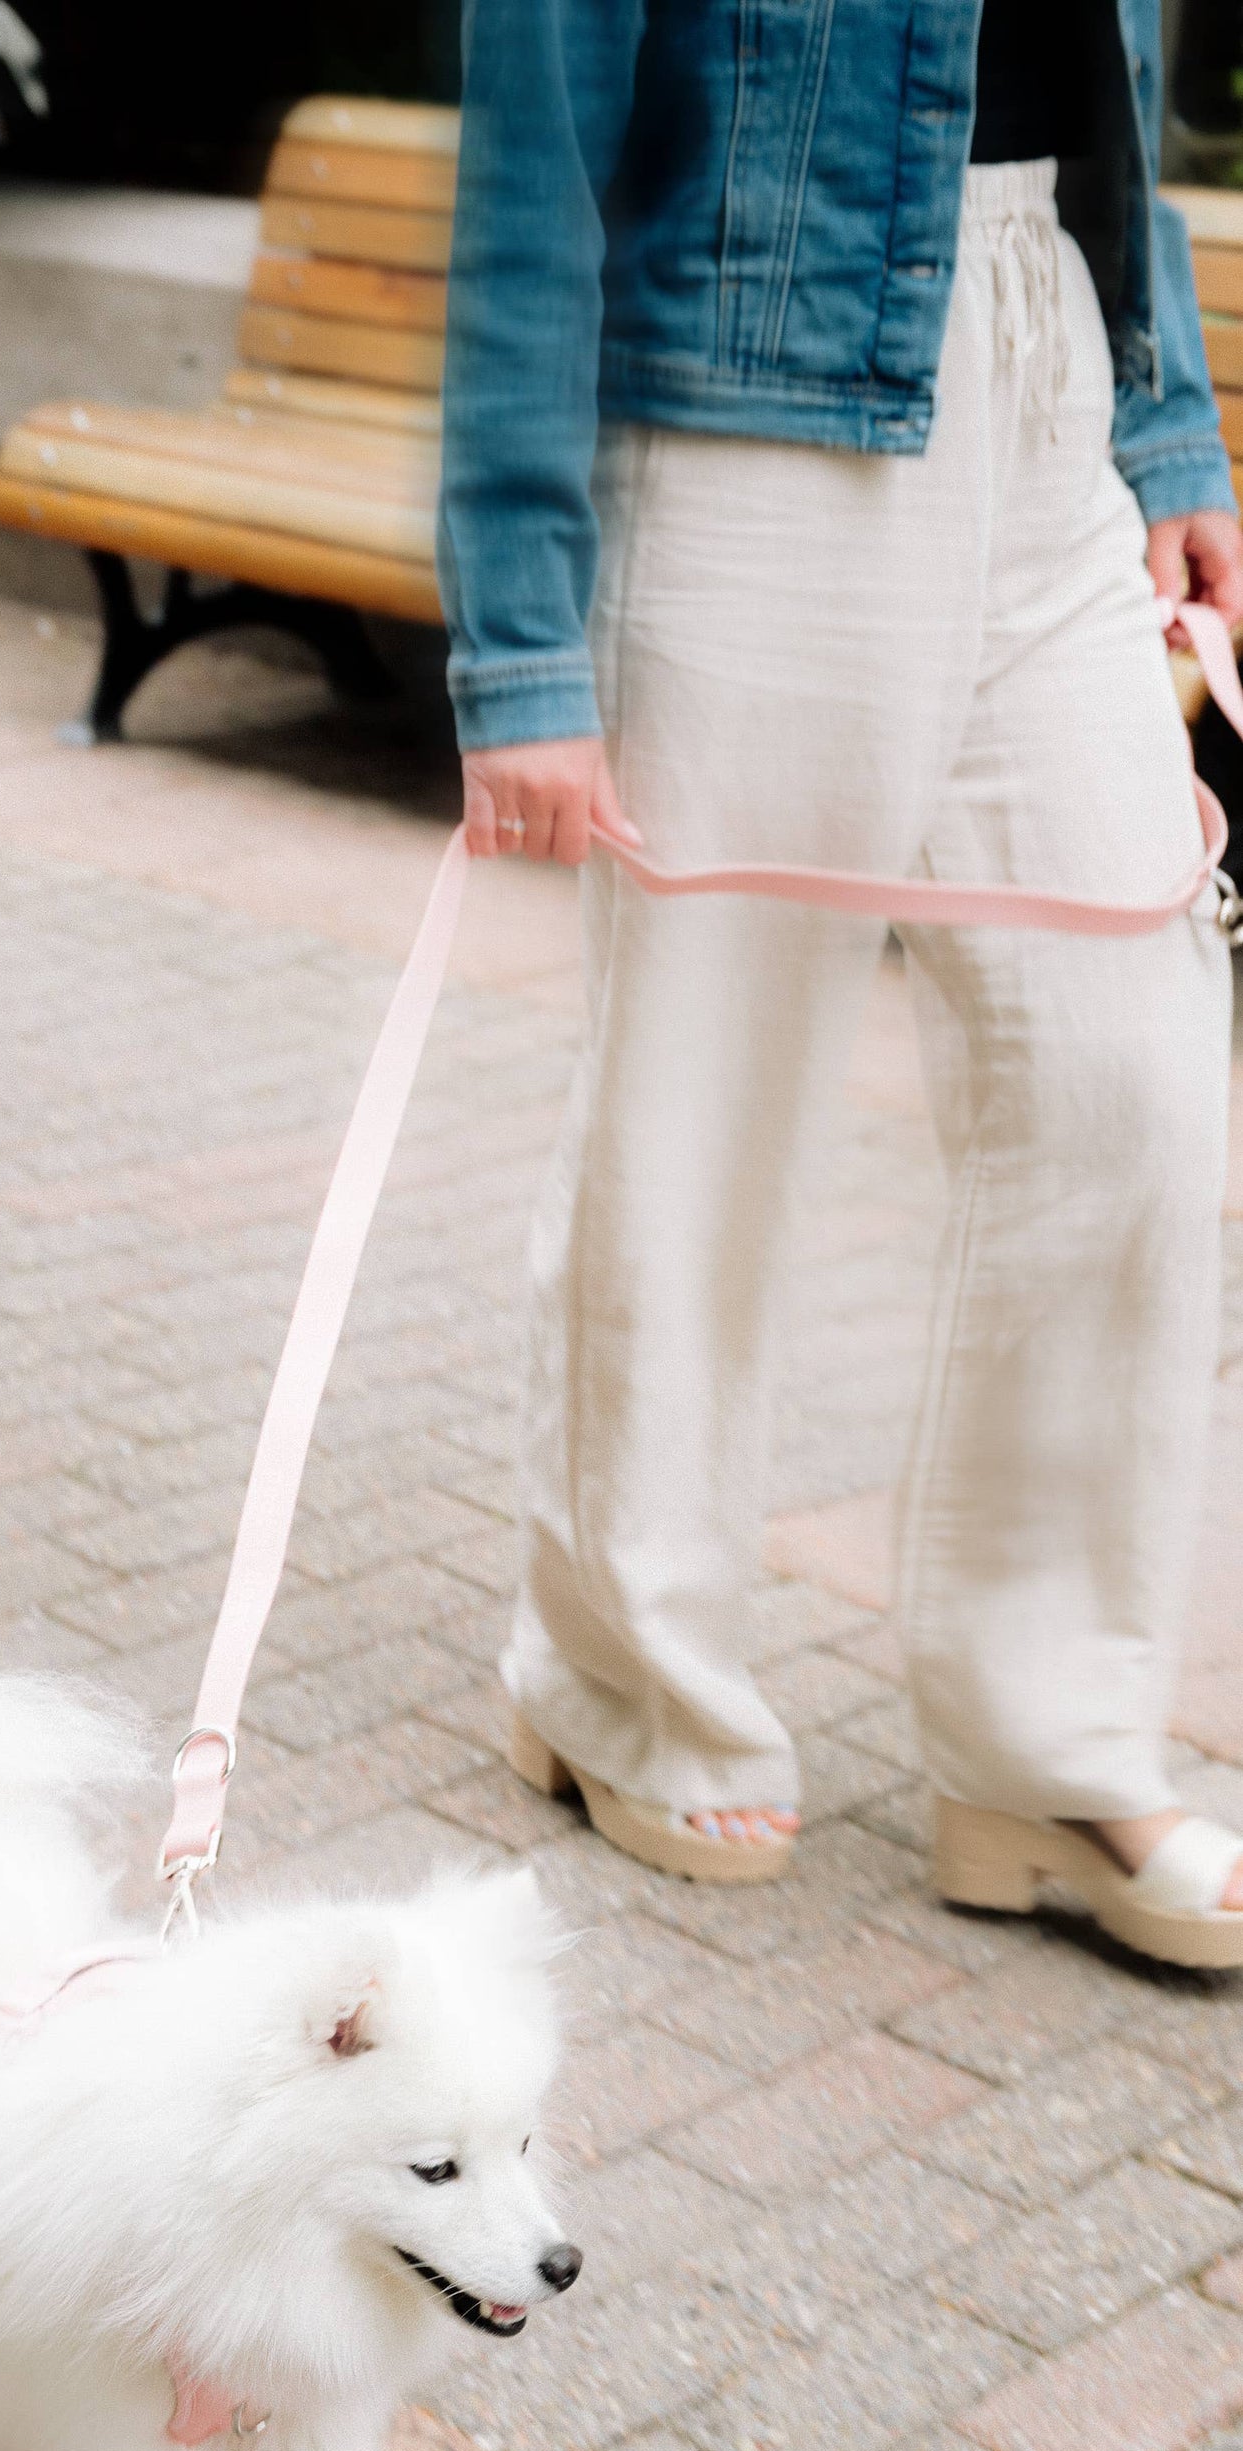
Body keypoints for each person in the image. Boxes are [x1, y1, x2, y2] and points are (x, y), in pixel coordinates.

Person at [439, 0, 1243, 1964]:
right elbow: (536, 141)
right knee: (705, 1093)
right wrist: (520, 635)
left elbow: (1109, 63)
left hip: (1052, 368)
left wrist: (1165, 425)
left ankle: (1046, 1739)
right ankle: (619, 1672)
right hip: (750, 410)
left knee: (1126, 1086)